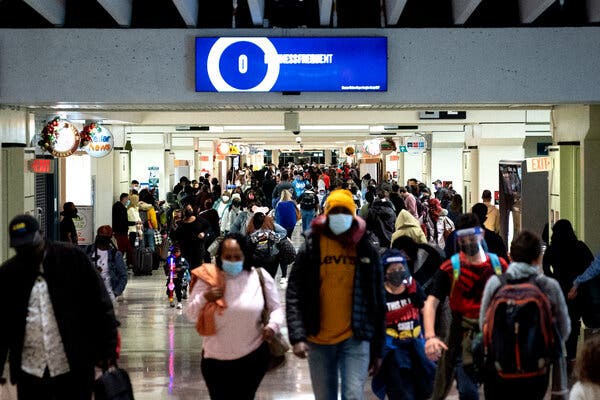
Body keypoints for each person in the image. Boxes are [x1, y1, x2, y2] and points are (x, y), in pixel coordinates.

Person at [0, 215, 118, 399]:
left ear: (41, 236)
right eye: (20, 248)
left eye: (30, 245)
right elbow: (2, 325)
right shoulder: (9, 274)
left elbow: (100, 304)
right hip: (30, 373)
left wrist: (108, 350)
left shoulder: (72, 259)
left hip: (74, 365)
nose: (26, 252)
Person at [286, 189, 386, 400]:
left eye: (345, 211)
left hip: (356, 336)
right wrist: (297, 335)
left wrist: (378, 349)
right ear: (326, 213)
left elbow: (377, 299)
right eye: (335, 211)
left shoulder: (365, 247)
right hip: (318, 338)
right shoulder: (312, 245)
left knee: (353, 395)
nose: (340, 216)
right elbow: (295, 291)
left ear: (353, 214)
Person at [185, 233, 283, 399]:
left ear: (245, 256)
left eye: (237, 256)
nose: (232, 261)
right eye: (228, 256)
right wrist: (205, 298)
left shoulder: (258, 277)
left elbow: (276, 308)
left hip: (252, 358)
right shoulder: (208, 278)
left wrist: (272, 326)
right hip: (215, 360)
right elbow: (191, 314)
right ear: (220, 256)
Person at [479, 230, 570, 400]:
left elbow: (483, 324)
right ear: (538, 258)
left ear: (510, 256)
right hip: (536, 370)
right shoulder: (549, 286)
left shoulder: (496, 283)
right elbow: (563, 330)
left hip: (499, 368)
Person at [423, 226, 508, 400]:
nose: (470, 242)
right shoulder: (449, 268)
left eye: (473, 237)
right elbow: (431, 303)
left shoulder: (498, 265)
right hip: (463, 338)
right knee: (468, 390)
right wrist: (430, 336)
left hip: (493, 339)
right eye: (465, 239)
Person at [371, 249, 436, 400]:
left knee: (424, 390)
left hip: (416, 348)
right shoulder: (379, 293)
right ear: (385, 272)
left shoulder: (413, 288)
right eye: (393, 270)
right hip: (392, 350)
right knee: (399, 392)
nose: (397, 272)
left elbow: (426, 308)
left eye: (400, 269)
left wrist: (430, 336)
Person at [543, 219, 594, 365]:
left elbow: (546, 270)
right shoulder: (580, 247)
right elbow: (590, 267)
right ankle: (571, 355)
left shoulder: (552, 249)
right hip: (576, 290)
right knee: (573, 322)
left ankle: (559, 352)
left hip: (559, 290)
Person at [84, 225, 128, 305]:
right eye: (101, 236)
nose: (103, 240)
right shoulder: (88, 250)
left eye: (106, 237)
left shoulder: (115, 254)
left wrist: (116, 293)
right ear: (97, 236)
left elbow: (123, 276)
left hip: (109, 296)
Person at [172, 203, 211, 270]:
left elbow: (208, 227)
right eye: (186, 210)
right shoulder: (180, 223)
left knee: (197, 269)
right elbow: (174, 236)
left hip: (198, 249)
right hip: (185, 250)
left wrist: (203, 233)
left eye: (190, 209)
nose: (188, 211)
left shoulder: (199, 220)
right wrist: (174, 224)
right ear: (183, 212)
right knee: (187, 269)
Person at [165, 245, 190, 309]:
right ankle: (171, 302)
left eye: (178, 252)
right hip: (171, 278)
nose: (176, 253)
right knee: (169, 291)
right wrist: (168, 270)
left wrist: (181, 268)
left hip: (179, 278)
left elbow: (187, 266)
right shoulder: (169, 259)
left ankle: (179, 303)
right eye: (175, 252)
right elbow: (165, 267)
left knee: (178, 290)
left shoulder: (182, 259)